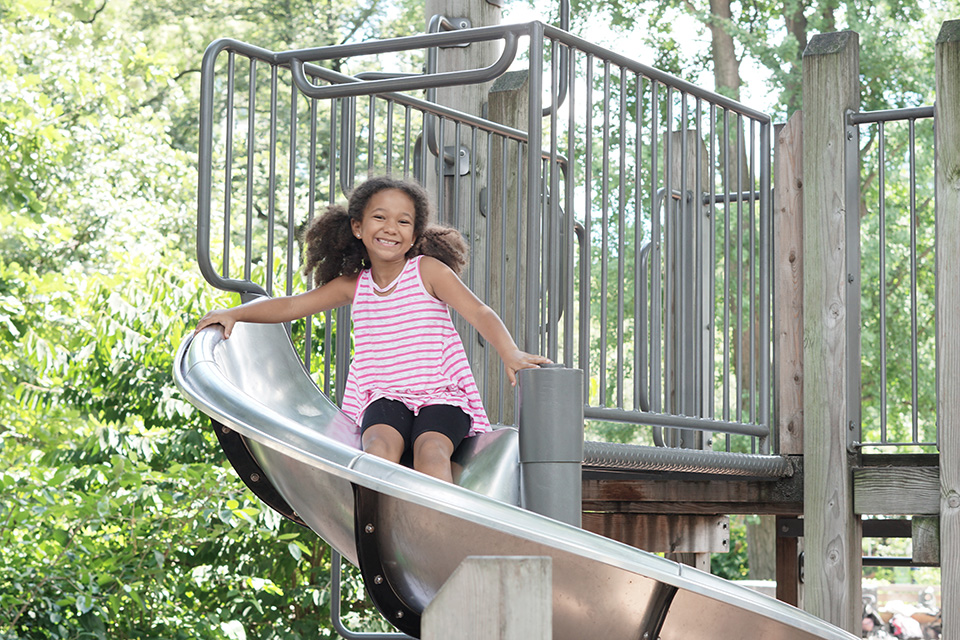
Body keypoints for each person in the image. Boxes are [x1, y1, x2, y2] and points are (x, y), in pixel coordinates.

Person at [194, 175, 550, 482]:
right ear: (358, 227)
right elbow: (292, 306)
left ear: (414, 236)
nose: (391, 228)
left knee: (431, 452)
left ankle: (440, 528)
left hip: (441, 394)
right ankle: (382, 528)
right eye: (379, 217)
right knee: (377, 450)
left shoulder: (428, 271)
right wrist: (235, 314)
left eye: (403, 222)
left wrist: (510, 352)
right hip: (385, 394)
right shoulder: (354, 285)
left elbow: (479, 311)